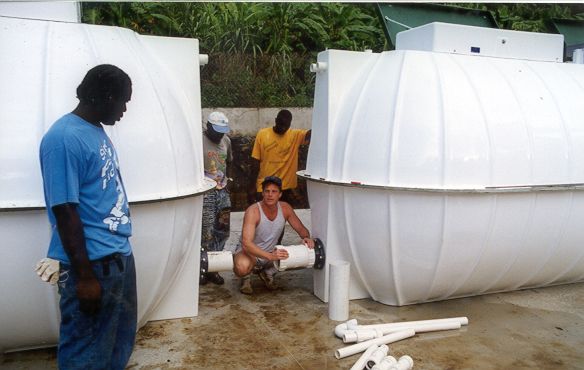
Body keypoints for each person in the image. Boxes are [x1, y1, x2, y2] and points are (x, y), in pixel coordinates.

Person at [39, 64, 136, 370]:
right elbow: (64, 210)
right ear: (105, 96)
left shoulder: (95, 131)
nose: (123, 110)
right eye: (122, 101)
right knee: (85, 353)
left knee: (116, 346)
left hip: (117, 259)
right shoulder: (63, 139)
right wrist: (85, 277)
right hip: (93, 267)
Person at [234, 176, 315, 295]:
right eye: (267, 191)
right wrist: (269, 256)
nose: (270, 195)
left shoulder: (285, 208)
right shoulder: (253, 211)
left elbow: (302, 230)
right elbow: (246, 244)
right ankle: (246, 277)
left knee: (304, 254)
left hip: (271, 253)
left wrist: (306, 239)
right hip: (250, 253)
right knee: (241, 267)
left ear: (280, 194)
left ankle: (268, 273)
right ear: (262, 193)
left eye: (274, 191)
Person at [249, 109, 311, 205]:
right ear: (275, 120)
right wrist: (252, 186)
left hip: (285, 188)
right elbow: (255, 162)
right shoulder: (262, 134)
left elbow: (311, 134)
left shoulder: (295, 135)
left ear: (290, 124)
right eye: (280, 124)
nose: (283, 128)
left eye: (286, 126)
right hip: (265, 186)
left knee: (281, 217)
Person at [200, 111, 233, 285]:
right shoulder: (198, 142)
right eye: (217, 130)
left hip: (223, 192)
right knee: (206, 232)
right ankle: (203, 268)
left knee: (222, 230)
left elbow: (231, 162)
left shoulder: (226, 141)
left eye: (223, 131)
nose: (220, 134)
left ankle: (215, 268)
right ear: (208, 127)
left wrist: (230, 183)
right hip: (206, 192)